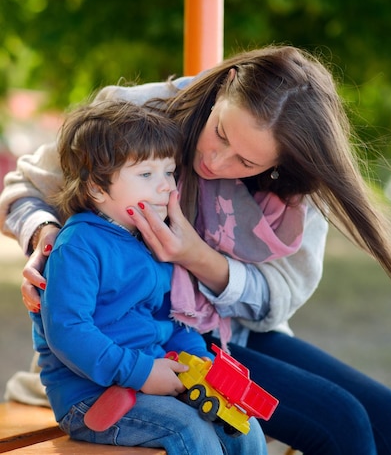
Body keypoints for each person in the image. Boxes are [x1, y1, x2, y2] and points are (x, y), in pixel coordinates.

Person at [1, 45, 391, 455]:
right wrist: (45, 235)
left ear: (281, 165)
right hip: (150, 334)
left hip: (231, 329)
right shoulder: (139, 121)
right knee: (342, 421)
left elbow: (278, 301)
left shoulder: (296, 187)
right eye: (220, 134)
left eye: (247, 162)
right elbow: (25, 188)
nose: (218, 163)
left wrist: (194, 255)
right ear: (226, 84)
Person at [29, 99, 267, 455]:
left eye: (169, 172)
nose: (165, 187)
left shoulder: (148, 242)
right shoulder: (78, 246)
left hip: (147, 380)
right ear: (96, 188)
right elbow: (68, 332)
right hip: (90, 399)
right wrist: (141, 372)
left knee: (242, 427)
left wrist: (195, 360)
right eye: (146, 175)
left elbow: (167, 320)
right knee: (190, 432)